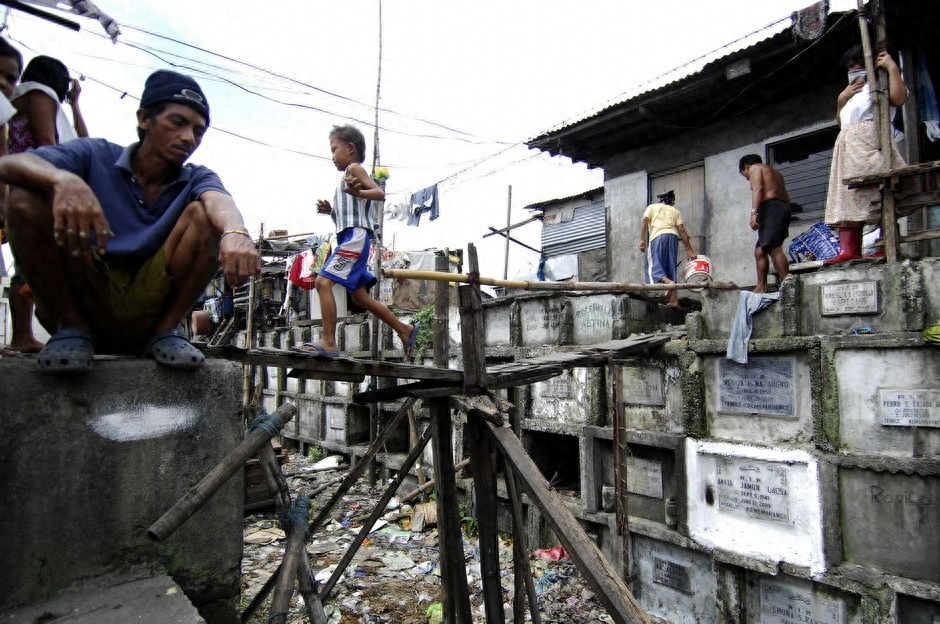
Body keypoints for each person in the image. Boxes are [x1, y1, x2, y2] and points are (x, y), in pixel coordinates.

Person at [0, 69, 261, 374]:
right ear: (144, 119)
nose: (188, 138)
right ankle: (70, 327)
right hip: (86, 294)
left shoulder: (196, 176)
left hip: (149, 311)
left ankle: (167, 331)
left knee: (207, 217)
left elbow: (220, 201)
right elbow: (8, 163)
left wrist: (235, 232)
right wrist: (62, 180)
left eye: (198, 131)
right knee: (24, 198)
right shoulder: (94, 154)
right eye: (177, 123)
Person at [295, 124, 417, 357]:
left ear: (350, 149)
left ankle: (329, 342)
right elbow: (352, 211)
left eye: (334, 149)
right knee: (359, 297)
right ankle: (405, 329)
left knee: (322, 283)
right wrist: (331, 211)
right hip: (350, 237)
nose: (332, 156)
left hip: (355, 237)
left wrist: (358, 192)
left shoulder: (354, 169)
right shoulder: (348, 177)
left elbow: (379, 194)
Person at [4, 55, 89, 353]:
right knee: (37, 262)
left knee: (30, 261)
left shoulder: (17, 100)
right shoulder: (40, 93)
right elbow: (47, 145)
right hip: (41, 188)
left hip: (24, 186)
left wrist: (75, 104)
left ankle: (24, 335)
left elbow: (84, 142)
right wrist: (61, 187)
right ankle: (26, 336)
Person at [824, 45, 907, 263]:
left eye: (858, 65)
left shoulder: (879, 83)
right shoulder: (851, 93)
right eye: (850, 67)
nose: (854, 70)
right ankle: (849, 249)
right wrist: (841, 100)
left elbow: (899, 98)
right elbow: (842, 122)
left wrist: (891, 67)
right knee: (846, 196)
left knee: (879, 190)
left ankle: (885, 243)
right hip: (847, 147)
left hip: (871, 143)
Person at [739, 154, 791, 293]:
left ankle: (789, 285)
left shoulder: (755, 168)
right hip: (781, 208)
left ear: (746, 166)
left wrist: (753, 212)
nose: (748, 179)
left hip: (771, 209)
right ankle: (761, 287)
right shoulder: (777, 174)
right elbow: (786, 197)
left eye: (746, 176)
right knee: (760, 251)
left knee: (774, 248)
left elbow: (758, 189)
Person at [638, 189, 696, 307]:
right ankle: (674, 301)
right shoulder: (675, 211)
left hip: (658, 237)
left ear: (661, 201)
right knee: (670, 267)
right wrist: (689, 249)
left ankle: (668, 283)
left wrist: (641, 240)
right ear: (671, 203)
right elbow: (681, 229)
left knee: (653, 266)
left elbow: (644, 220)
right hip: (673, 237)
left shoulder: (652, 207)